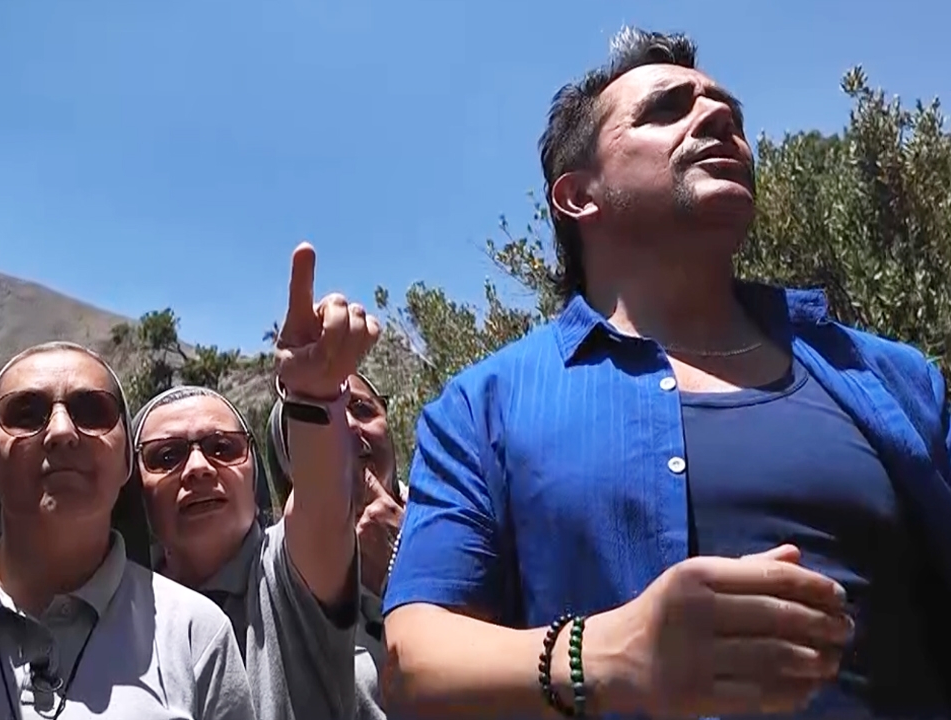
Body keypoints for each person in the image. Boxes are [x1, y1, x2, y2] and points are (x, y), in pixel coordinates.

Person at [381, 27, 951, 720]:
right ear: (578, 196)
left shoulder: (894, 377)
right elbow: (413, 663)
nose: (717, 116)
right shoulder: (483, 408)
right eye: (666, 109)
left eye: (728, 110)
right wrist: (607, 655)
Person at [0, 342, 256, 720]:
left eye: (92, 411)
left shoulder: (195, 633)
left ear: (125, 464)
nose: (62, 431)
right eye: (26, 413)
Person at [131, 242, 380, 720]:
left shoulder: (288, 574)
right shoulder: (116, 613)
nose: (199, 468)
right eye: (167, 456)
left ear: (254, 475)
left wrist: (313, 396)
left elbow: (321, 503)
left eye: (223, 447)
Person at [265, 371, 404, 720]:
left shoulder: (457, 517)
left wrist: (407, 563)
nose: (349, 427)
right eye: (325, 420)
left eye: (362, 409)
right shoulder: (277, 581)